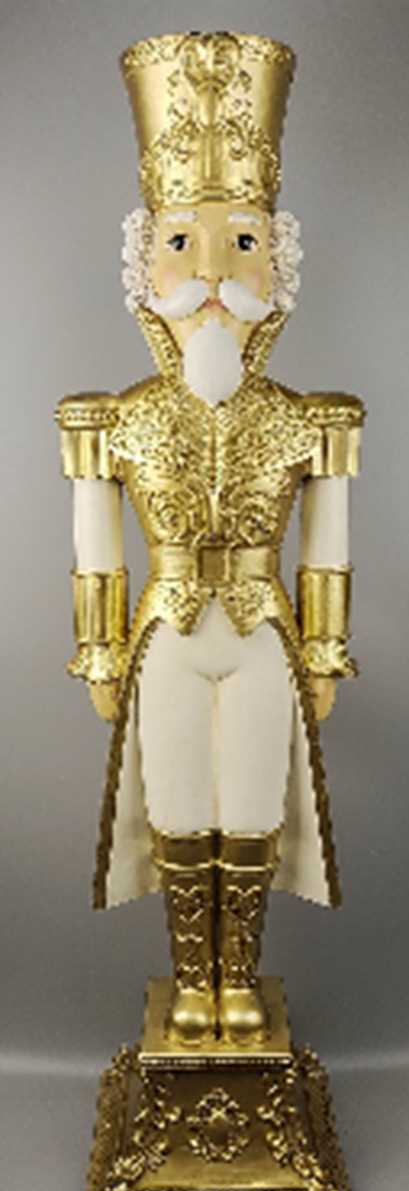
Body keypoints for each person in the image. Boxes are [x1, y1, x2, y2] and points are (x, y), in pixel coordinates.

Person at [57, 31, 364, 1049]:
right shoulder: (118, 417)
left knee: (256, 804)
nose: (213, 273)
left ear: (278, 260)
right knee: (180, 802)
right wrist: (99, 649)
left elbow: (326, 541)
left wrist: (324, 647)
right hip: (168, 630)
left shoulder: (305, 418)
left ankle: (242, 984)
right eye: (183, 242)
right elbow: (96, 541)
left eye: (241, 243)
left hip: (265, 630)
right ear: (143, 261)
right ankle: (198, 980)